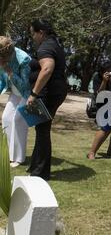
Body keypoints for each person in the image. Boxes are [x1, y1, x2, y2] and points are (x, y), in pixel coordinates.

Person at [27, 19, 67, 180]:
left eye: (33, 34)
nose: (33, 37)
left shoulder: (46, 47)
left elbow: (47, 68)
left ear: (41, 33)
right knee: (41, 129)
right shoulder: (54, 44)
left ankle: (40, 173)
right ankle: (35, 167)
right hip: (56, 91)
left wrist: (34, 94)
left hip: (47, 93)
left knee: (42, 130)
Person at [0, 36, 31, 167]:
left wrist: (10, 72)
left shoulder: (23, 59)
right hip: (14, 92)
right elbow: (2, 80)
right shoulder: (2, 58)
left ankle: (18, 158)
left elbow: (25, 85)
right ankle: (7, 154)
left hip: (27, 93)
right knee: (6, 118)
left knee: (18, 120)